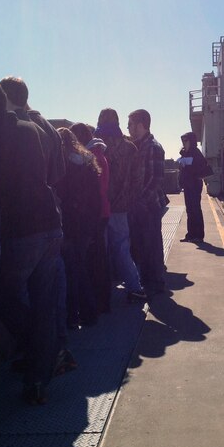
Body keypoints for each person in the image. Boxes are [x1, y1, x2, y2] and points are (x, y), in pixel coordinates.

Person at [0, 80, 61, 406]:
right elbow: (54, 173)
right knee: (44, 303)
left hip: (21, 230)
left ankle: (39, 354)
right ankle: (40, 375)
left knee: (2, 296)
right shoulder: (30, 128)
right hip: (50, 223)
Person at [95, 108, 147, 303]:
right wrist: (128, 200)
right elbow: (138, 180)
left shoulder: (94, 146)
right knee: (122, 249)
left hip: (98, 208)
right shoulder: (130, 147)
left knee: (100, 250)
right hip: (120, 208)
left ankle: (101, 293)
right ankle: (134, 287)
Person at [56, 127, 102, 326]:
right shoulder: (88, 162)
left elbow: (63, 197)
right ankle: (88, 312)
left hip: (70, 224)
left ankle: (74, 314)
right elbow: (97, 198)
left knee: (71, 271)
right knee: (80, 268)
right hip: (87, 224)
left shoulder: (63, 165)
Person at [70, 122, 112, 314]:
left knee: (94, 260)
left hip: (94, 213)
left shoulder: (88, 157)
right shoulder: (99, 154)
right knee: (100, 258)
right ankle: (103, 300)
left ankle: (99, 301)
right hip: (102, 211)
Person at [127, 109, 168, 295]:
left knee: (151, 246)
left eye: (131, 124)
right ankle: (147, 281)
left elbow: (156, 179)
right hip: (140, 206)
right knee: (141, 246)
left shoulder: (152, 146)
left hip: (149, 206)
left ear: (141, 124)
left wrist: (139, 201)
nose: (128, 128)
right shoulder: (138, 145)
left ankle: (156, 284)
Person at [177, 131, 208, 242]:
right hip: (188, 185)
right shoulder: (185, 153)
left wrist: (190, 165)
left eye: (186, 141)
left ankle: (199, 235)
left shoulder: (196, 152)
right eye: (183, 141)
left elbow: (202, 166)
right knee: (189, 210)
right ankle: (190, 234)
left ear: (191, 141)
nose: (184, 143)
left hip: (194, 184)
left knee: (195, 209)